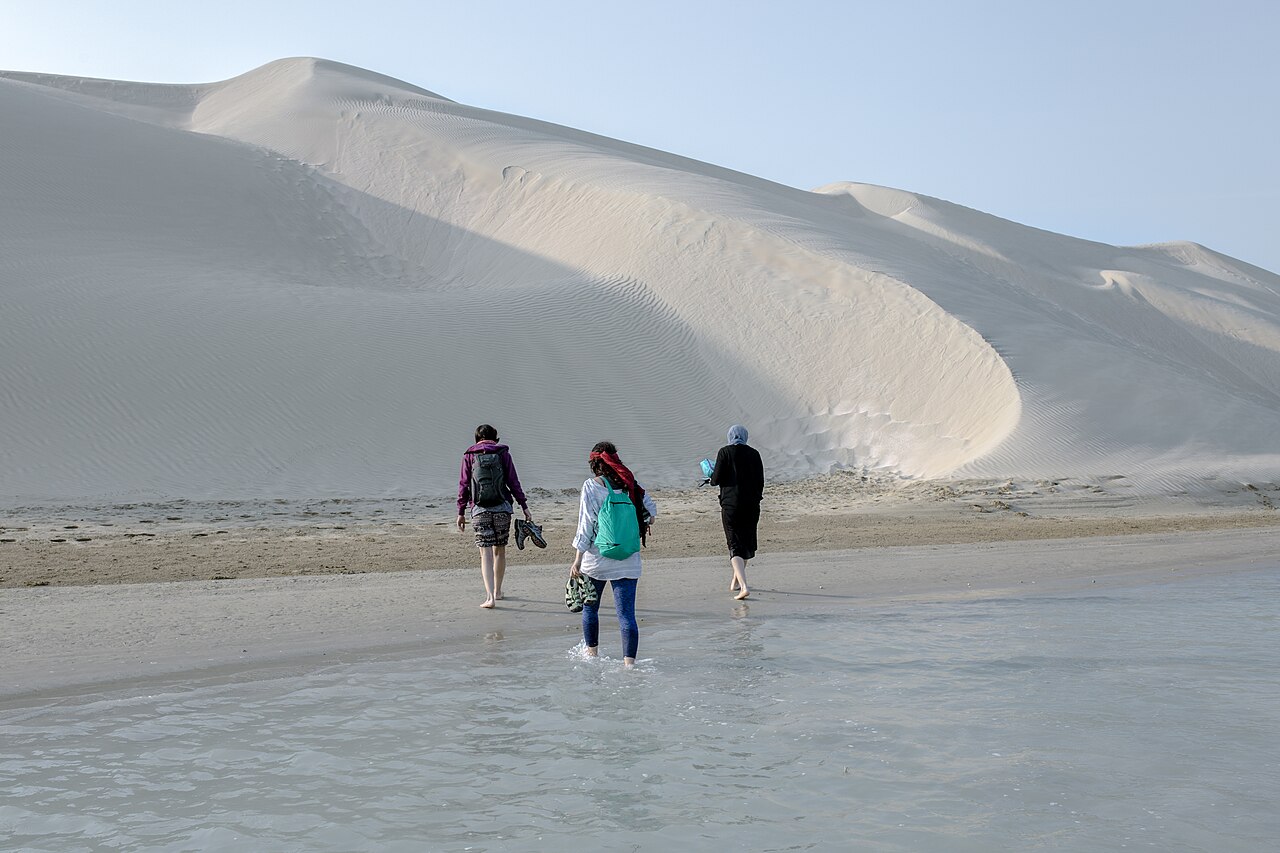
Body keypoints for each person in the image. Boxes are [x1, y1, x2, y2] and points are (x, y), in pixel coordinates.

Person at [569, 441, 658, 668]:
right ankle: (630, 666)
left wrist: (577, 559)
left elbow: (585, 525)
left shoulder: (591, 486)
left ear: (594, 463)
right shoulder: (629, 483)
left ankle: (592, 657)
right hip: (628, 558)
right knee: (626, 615)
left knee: (591, 608)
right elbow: (652, 511)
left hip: (596, 559)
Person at [456, 424, 533, 608]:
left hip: (479, 509)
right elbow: (514, 482)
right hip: (502, 508)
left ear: (476, 439)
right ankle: (498, 592)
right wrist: (524, 506)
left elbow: (464, 485)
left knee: (485, 553)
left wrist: (460, 512)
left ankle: (489, 597)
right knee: (500, 550)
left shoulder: (469, 455)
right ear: (495, 437)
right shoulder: (503, 454)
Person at [710, 424, 764, 600]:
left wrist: (710, 476)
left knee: (734, 544)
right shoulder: (754, 454)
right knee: (746, 542)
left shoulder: (724, 452)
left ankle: (744, 586)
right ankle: (736, 581)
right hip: (752, 505)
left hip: (731, 504)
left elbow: (715, 479)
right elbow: (760, 481)